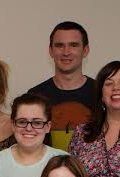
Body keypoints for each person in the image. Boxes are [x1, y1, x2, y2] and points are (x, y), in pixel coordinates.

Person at [28, 21, 95, 151]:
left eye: (73, 45)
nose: (66, 52)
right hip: (46, 170)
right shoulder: (35, 95)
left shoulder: (102, 93)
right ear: (51, 51)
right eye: (60, 46)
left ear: (85, 50)